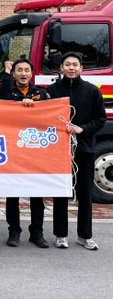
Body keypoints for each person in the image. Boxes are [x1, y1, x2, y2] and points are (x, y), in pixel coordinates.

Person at [47, 52, 106, 250]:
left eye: (75, 65)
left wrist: (82, 129)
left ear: (81, 68)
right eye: (67, 64)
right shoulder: (52, 90)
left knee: (85, 193)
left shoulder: (92, 91)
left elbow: (100, 119)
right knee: (60, 192)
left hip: (85, 148)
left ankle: (85, 235)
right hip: (58, 150)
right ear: (61, 68)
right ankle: (60, 234)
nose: (71, 68)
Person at [0, 58, 50, 248]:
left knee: (37, 194)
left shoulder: (41, 94)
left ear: (31, 73)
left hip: (35, 150)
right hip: (13, 149)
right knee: (13, 194)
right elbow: (2, 99)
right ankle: (14, 231)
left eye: (27, 70)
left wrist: (34, 106)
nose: (23, 73)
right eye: (19, 70)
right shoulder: (7, 92)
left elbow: (49, 116)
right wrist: (5, 73)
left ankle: (37, 232)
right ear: (14, 74)